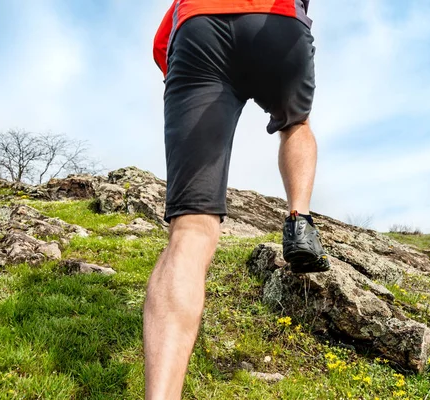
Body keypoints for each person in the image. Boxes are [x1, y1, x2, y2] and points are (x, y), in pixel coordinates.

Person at [145, 1, 330, 398]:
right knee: (296, 123)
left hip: (198, 28)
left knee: (191, 232)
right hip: (277, 22)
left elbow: (164, 47)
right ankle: (299, 219)